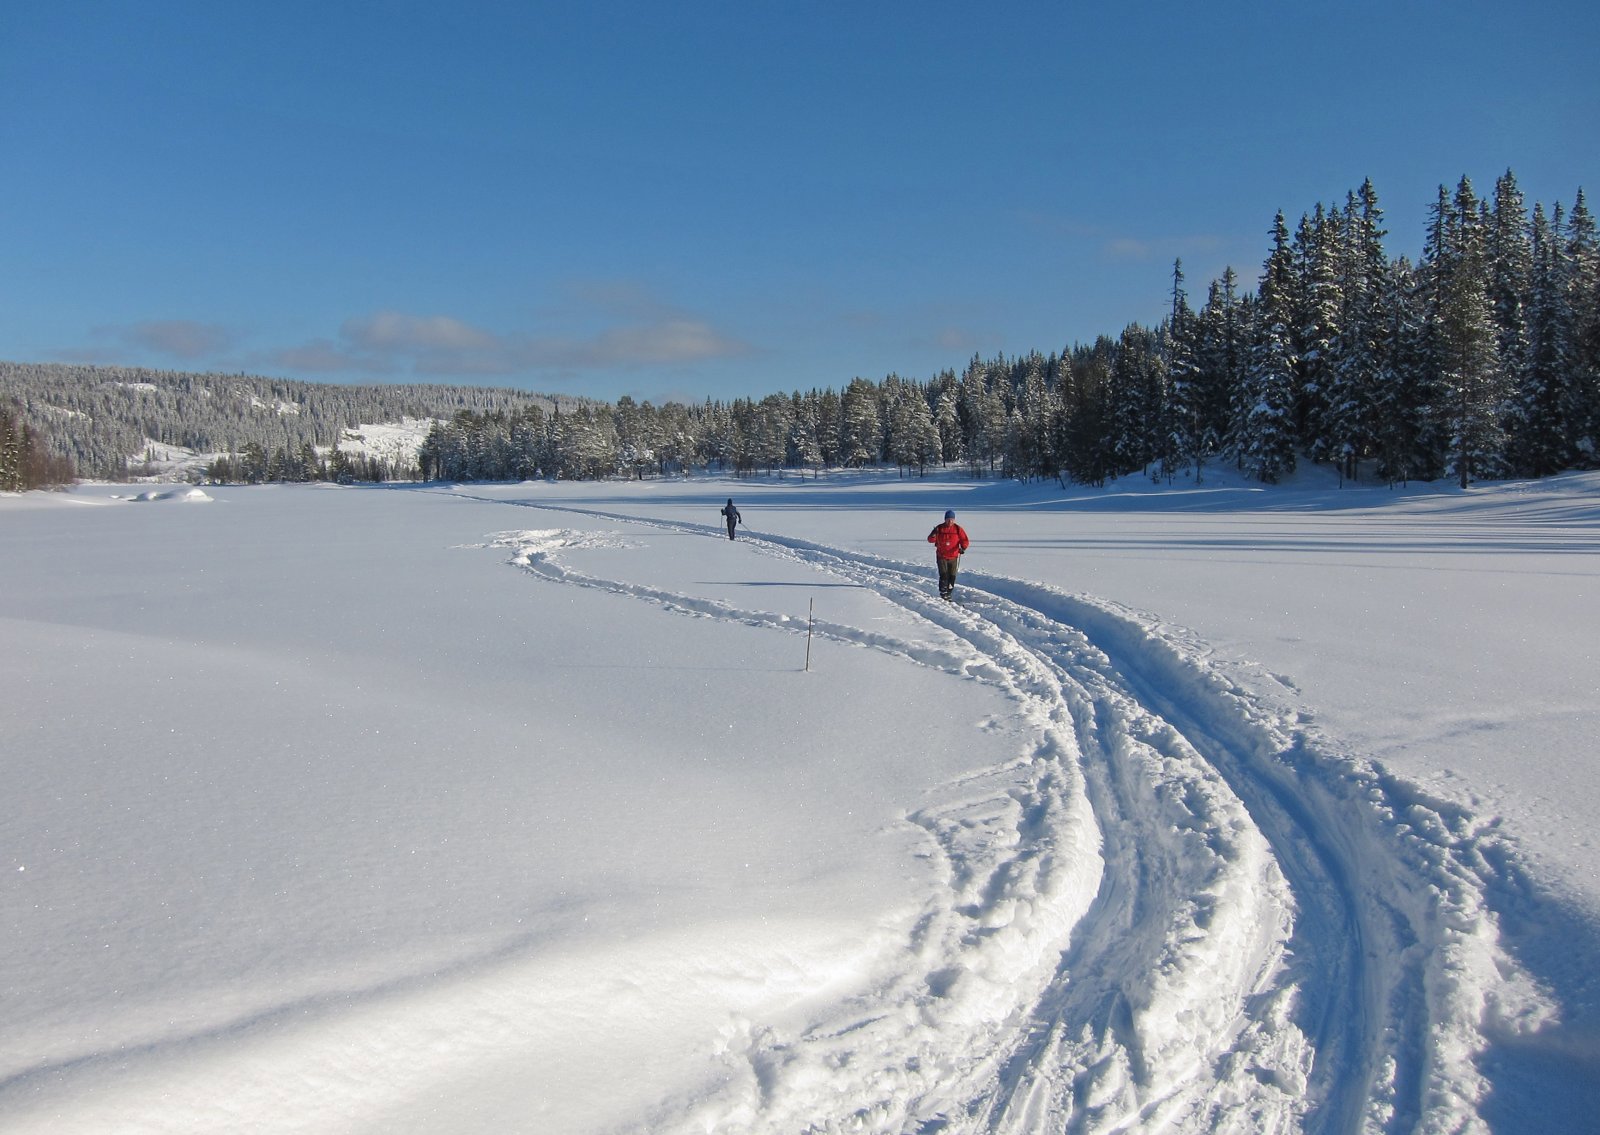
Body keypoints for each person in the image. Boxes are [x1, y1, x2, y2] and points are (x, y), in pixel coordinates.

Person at [927, 509, 970, 600]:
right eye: (948, 519)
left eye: (952, 519)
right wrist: (934, 534)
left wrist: (963, 548)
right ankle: (943, 592)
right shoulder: (939, 528)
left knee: (952, 576)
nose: (950, 521)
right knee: (944, 575)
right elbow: (930, 540)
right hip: (941, 556)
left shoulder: (958, 529)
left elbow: (965, 540)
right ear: (945, 519)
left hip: (953, 556)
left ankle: (949, 592)